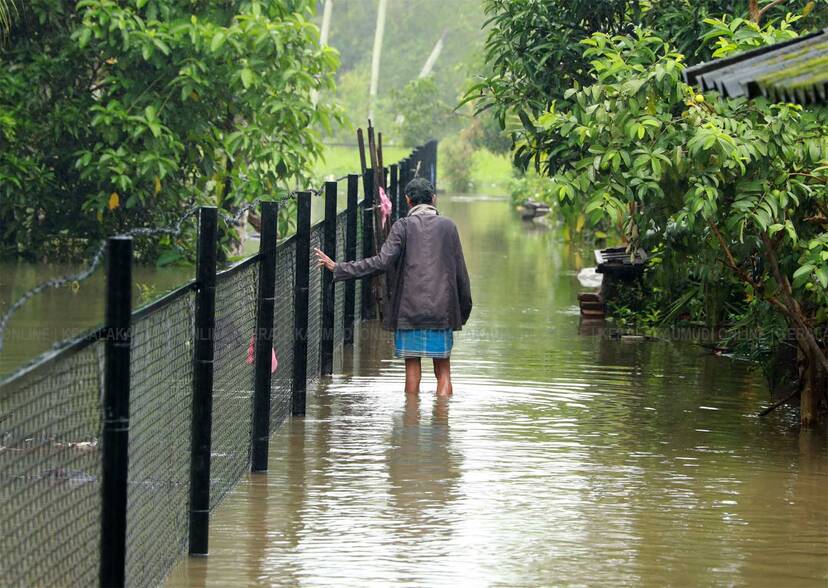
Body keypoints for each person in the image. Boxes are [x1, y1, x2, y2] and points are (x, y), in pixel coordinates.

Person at [314, 177, 472, 396]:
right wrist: (462, 312)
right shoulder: (449, 227)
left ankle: (410, 419)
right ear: (434, 199)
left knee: (412, 372)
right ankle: (442, 423)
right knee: (443, 371)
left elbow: (381, 262)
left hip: (409, 311)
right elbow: (460, 274)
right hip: (441, 312)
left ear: (408, 201)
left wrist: (339, 267)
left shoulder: (402, 227)